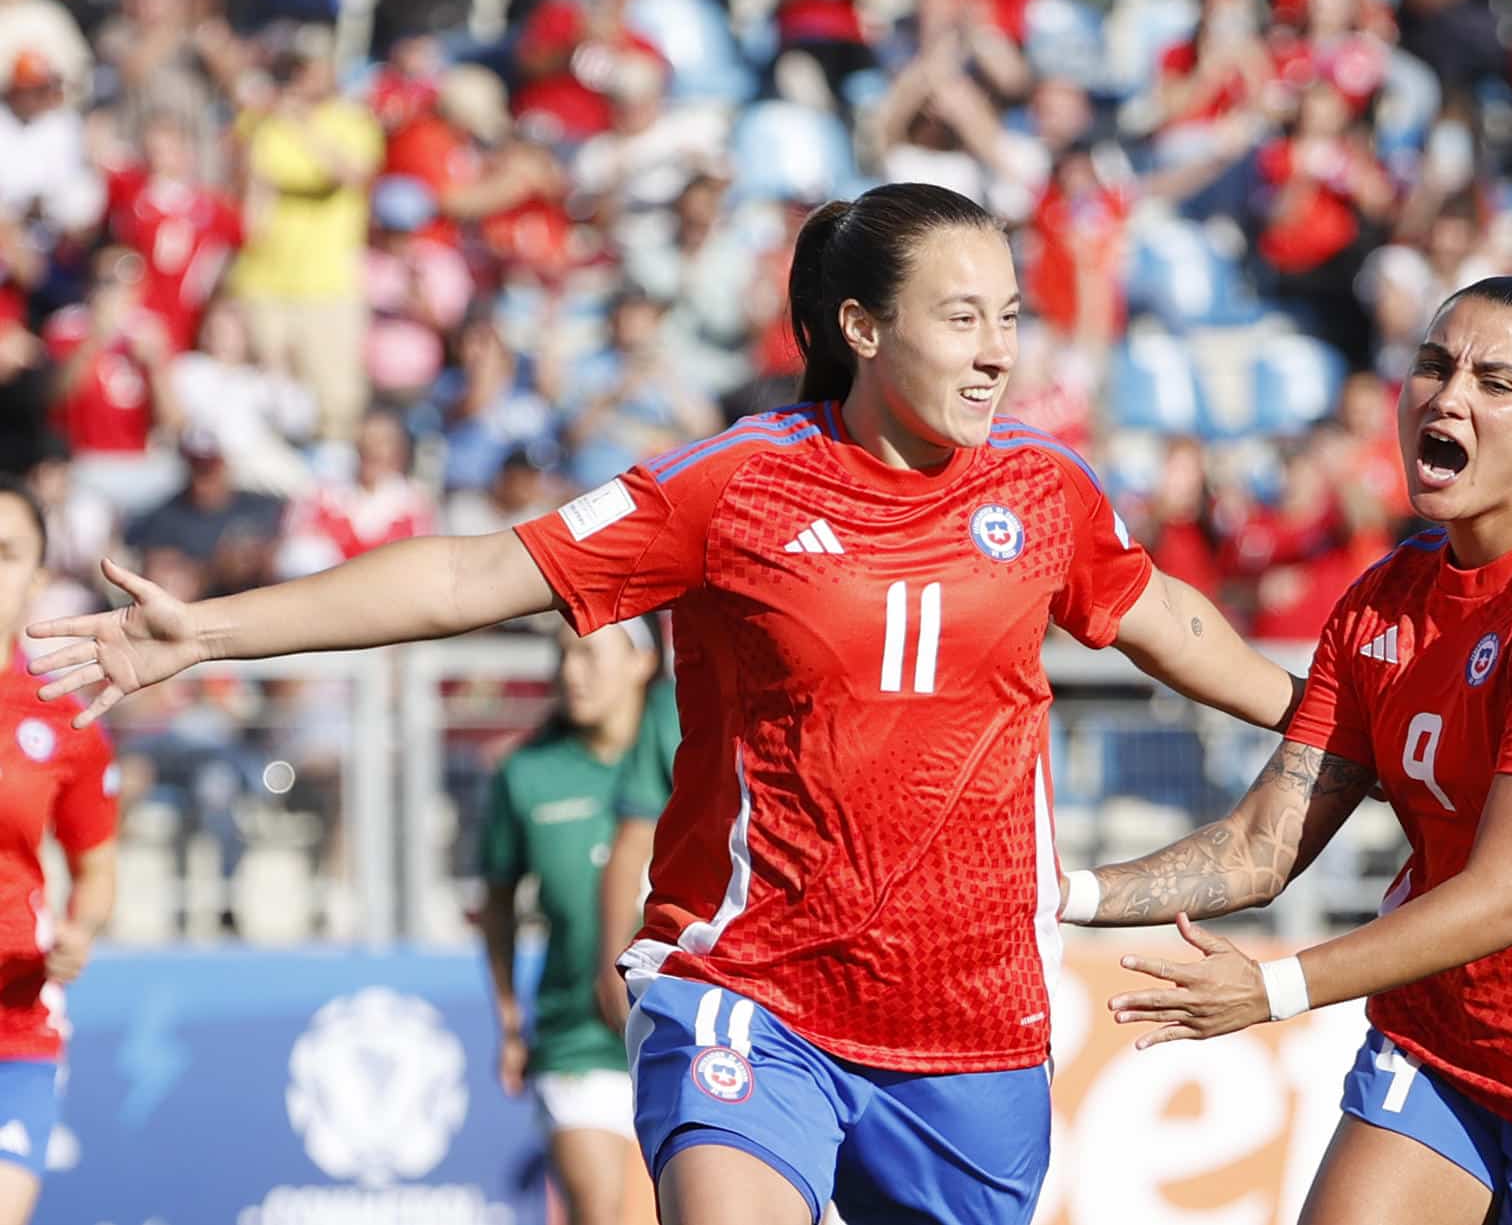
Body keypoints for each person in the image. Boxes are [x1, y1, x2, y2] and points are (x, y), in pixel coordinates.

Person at [26, 183, 1301, 1225]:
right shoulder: (732, 487)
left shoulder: (1049, 491)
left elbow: (1167, 620)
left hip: (972, 1024)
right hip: (753, 989)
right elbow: (479, 570)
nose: (996, 351)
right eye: (961, 317)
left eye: (1008, 317)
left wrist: (1320, 713)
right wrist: (211, 635)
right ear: (861, 326)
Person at [1061, 272, 1512, 1225]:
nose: (1449, 394)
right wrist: (1062, 893)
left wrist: (1273, 987)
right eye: (1433, 365)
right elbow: (1262, 846)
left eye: (1496, 382)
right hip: (1443, 1049)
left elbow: (1509, 894)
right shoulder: (1387, 594)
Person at [478, 614, 676, 1225]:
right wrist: (511, 1019)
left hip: (681, 1032)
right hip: (579, 1038)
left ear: (643, 663)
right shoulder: (526, 771)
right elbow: (496, 904)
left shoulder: (688, 749)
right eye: (562, 655)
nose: (571, 672)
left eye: (589, 654)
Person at [0, 476, 119, 1225]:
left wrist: (80, 929)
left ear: (39, 577)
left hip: (14, 1022)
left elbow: (98, 866)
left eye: (6, 552)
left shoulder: (60, 719)